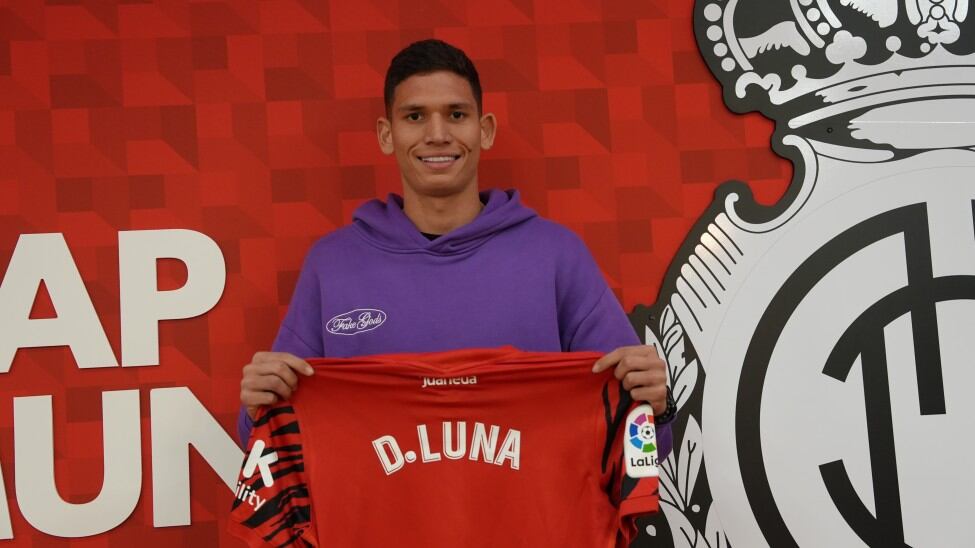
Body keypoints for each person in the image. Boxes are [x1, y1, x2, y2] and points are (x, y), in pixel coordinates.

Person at [237, 39, 674, 457]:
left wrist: (654, 407)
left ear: (484, 130)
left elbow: (648, 442)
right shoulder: (332, 265)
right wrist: (259, 406)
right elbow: (268, 442)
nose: (437, 134)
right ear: (386, 134)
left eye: (456, 114)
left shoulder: (557, 256)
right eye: (414, 116)